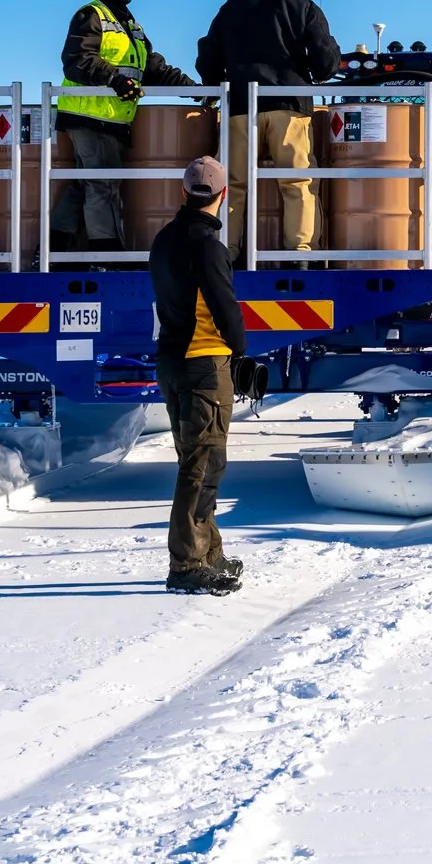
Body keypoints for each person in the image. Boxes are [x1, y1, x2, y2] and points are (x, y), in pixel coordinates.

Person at [198, 0, 341, 261]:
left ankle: (226, 251)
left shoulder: (234, 5)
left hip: (239, 108)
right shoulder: (304, 8)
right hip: (289, 109)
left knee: (231, 186)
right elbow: (325, 64)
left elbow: (207, 56)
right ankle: (301, 254)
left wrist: (217, 86)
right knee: (298, 183)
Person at [148, 156, 244, 595]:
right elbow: (225, 307)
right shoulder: (208, 246)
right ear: (223, 196)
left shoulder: (164, 239)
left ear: (184, 193)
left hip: (172, 360)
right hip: (204, 361)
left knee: (202, 460)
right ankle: (187, 564)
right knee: (201, 464)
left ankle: (208, 551)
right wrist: (240, 353)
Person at [53, 0, 194, 259]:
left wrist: (193, 91)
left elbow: (154, 67)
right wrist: (114, 80)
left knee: (86, 185)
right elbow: (78, 59)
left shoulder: (132, 27)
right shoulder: (91, 15)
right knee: (102, 185)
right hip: (89, 115)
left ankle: (53, 246)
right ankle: (106, 255)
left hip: (113, 120)